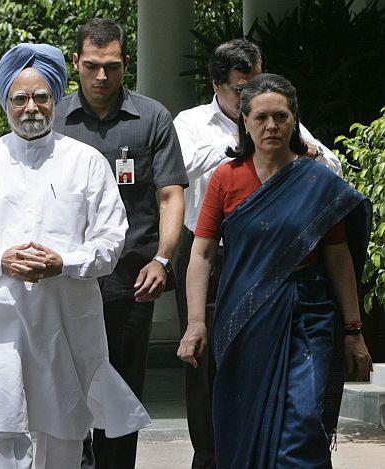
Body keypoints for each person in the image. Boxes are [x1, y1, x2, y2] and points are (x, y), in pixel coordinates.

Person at [0, 43, 151, 469]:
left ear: (55, 99)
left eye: (41, 97)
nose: (30, 106)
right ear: (5, 103)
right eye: (19, 98)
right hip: (1, 323)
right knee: (2, 433)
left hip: (66, 321)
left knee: (65, 435)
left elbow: (111, 240)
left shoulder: (86, 162)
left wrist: (64, 263)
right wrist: (1, 261)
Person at [177, 73, 372, 468]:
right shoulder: (226, 178)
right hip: (244, 320)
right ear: (244, 123)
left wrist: (353, 331)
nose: (272, 126)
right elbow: (201, 254)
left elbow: (338, 257)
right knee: (243, 421)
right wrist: (196, 324)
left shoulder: (316, 181)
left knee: (303, 424)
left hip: (308, 317)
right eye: (261, 117)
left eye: (281, 117)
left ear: (294, 120)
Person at [53, 18, 188, 469]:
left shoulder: (151, 118)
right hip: (64, 280)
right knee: (67, 386)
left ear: (126, 64)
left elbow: (171, 196)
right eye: (91, 66)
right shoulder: (52, 117)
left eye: (111, 66)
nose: (101, 76)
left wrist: (163, 259)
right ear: (75, 62)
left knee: (122, 388)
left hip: (131, 280)